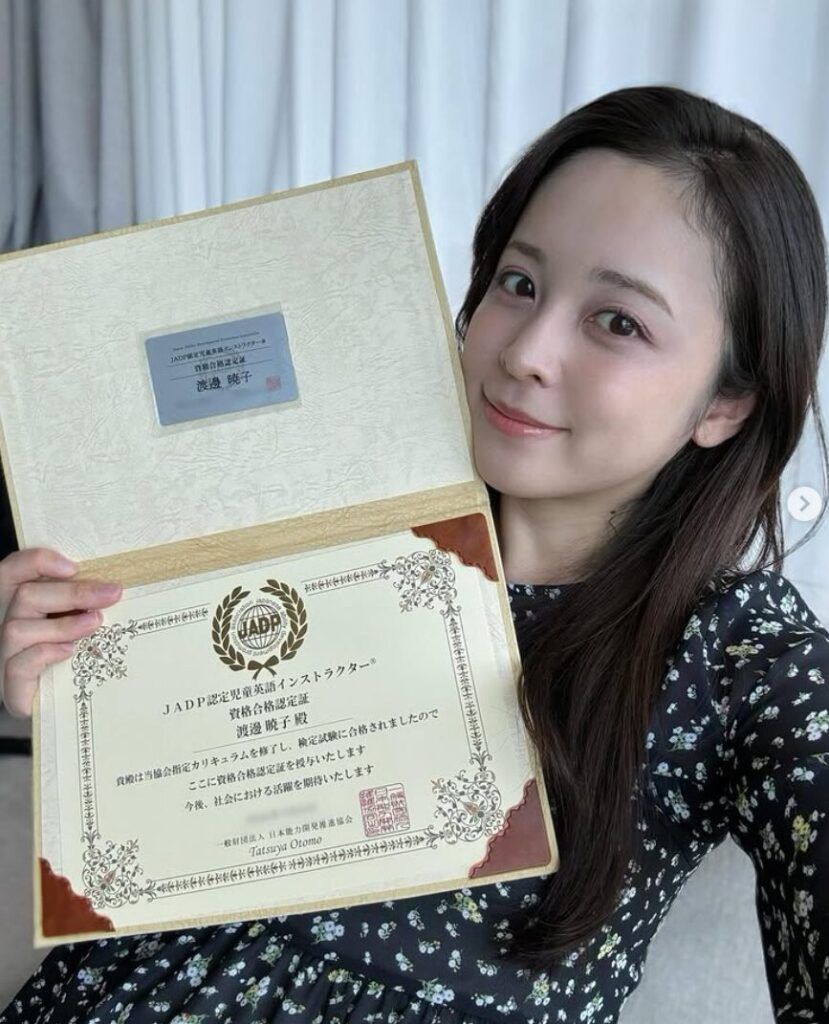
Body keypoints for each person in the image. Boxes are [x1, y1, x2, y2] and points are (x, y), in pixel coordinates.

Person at [1, 83, 828, 1024]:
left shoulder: (732, 656)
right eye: (518, 283)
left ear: (726, 403)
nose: (525, 351)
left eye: (617, 322)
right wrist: (62, 672)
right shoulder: (292, 505)